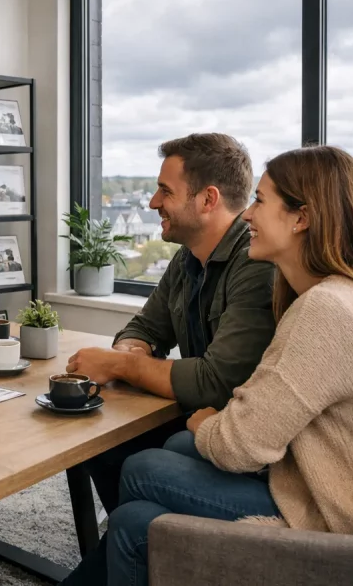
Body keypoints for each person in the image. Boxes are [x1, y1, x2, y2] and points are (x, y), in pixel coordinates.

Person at [63, 145, 353, 586]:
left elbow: (241, 443)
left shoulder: (329, 310)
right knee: (164, 463)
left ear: (301, 218)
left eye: (261, 202)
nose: (247, 215)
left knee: (140, 490)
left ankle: (141, 555)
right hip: (343, 490)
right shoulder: (344, 295)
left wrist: (204, 422)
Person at [66, 133, 276, 513]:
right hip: (192, 412)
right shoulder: (187, 257)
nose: (152, 202)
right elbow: (145, 326)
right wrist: (131, 349)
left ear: (208, 199)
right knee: (97, 434)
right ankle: (135, 536)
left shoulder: (255, 263)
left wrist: (120, 364)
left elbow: (217, 382)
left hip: (230, 431)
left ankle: (143, 534)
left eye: (165, 191)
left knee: (120, 446)